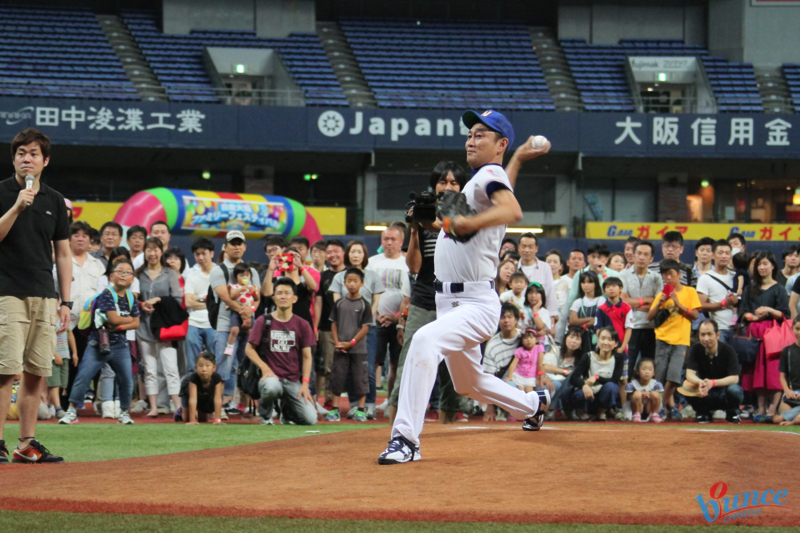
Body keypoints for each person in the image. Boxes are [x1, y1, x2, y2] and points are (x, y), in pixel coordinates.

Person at [379, 108, 551, 465]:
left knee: (425, 340)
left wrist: (467, 224)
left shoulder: (487, 174)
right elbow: (503, 191)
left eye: (480, 135)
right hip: (450, 302)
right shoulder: (487, 178)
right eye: (470, 134)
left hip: (475, 302)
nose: (471, 140)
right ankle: (534, 404)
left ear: (499, 144)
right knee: (467, 383)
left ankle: (406, 439)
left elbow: (512, 210)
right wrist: (518, 158)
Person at [0, 128, 71, 464]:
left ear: (45, 161)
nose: (26, 158)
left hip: (44, 294)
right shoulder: (2, 193)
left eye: (32, 154)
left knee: (35, 373)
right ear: (13, 158)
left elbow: (63, 254)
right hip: (7, 292)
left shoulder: (55, 201)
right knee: (4, 370)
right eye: (20, 153)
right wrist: (16, 207)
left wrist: (66, 301)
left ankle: (26, 445)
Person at [390, 161, 469, 425]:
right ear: (434, 185)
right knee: (410, 363)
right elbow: (413, 266)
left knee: (452, 370)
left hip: (457, 302)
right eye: (442, 182)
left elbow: (460, 244)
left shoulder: (468, 214)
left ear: (462, 187)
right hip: (424, 299)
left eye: (454, 182)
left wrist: (433, 225)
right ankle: (391, 433)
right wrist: (414, 229)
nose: (447, 187)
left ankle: (448, 433)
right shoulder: (423, 213)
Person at [59, 259, 139, 426]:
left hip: (120, 345)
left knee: (126, 379)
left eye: (128, 272)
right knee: (84, 376)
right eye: (120, 271)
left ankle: (124, 413)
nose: (124, 275)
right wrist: (127, 320)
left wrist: (121, 324)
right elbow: (113, 318)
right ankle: (72, 411)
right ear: (111, 276)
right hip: (97, 344)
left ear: (133, 279)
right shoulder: (107, 294)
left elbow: (135, 323)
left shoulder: (132, 298)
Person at [245, 278, 317, 426]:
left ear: (295, 298)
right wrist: (264, 368)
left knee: (310, 419)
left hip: (293, 380)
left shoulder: (302, 324)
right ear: (274, 298)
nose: (283, 296)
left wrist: (305, 384)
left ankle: (286, 412)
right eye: (279, 293)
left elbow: (307, 357)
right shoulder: (263, 321)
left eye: (287, 293)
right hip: (270, 378)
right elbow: (249, 349)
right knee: (272, 387)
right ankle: (266, 417)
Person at [330, 240, 384, 418]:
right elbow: (336, 303)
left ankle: (369, 406)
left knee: (366, 368)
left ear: (364, 255)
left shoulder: (373, 276)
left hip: (368, 328)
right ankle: (354, 405)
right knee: (347, 369)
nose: (355, 255)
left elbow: (375, 302)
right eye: (352, 252)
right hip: (346, 327)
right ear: (347, 254)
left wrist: (366, 320)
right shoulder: (339, 277)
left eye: (359, 252)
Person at [209, 230, 261, 411]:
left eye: (240, 243)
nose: (237, 246)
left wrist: (251, 310)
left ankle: (248, 407)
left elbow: (257, 297)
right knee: (224, 365)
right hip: (226, 326)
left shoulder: (252, 271)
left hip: (248, 327)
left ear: (245, 247)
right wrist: (243, 311)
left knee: (249, 366)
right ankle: (219, 407)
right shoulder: (218, 270)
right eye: (233, 243)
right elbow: (225, 296)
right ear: (225, 247)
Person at [647, 258, 702, 420]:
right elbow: (650, 316)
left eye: (671, 274)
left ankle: (659, 407)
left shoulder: (690, 292)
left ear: (678, 274)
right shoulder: (661, 294)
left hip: (681, 340)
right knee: (660, 377)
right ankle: (661, 409)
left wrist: (678, 304)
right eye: (665, 275)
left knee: (674, 377)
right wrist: (659, 303)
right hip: (662, 338)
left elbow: (695, 315)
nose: (668, 278)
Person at [739, 251, 790, 423]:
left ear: (773, 266)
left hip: (773, 335)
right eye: (759, 264)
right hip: (754, 334)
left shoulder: (779, 289)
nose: (761, 267)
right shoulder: (749, 288)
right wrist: (752, 317)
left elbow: (785, 314)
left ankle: (772, 409)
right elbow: (743, 312)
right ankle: (760, 408)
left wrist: (769, 311)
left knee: (774, 372)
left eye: (765, 264)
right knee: (758, 372)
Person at [136, 237, 182, 418]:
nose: (152, 253)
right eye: (149, 249)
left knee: (171, 368)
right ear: (145, 252)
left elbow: (178, 300)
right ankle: (153, 407)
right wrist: (142, 305)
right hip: (144, 327)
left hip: (164, 328)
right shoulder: (138, 274)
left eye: (156, 249)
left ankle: (178, 406)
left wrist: (159, 300)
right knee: (150, 369)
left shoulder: (170, 273)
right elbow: (133, 299)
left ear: (161, 252)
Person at [367, 226, 411, 413]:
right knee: (372, 363)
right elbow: (366, 292)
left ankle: (390, 401)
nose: (389, 242)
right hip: (374, 320)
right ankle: (368, 403)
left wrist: (396, 319)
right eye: (385, 239)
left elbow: (408, 296)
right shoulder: (371, 263)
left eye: (393, 239)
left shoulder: (407, 264)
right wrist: (375, 314)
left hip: (398, 322)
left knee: (395, 363)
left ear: (401, 242)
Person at [96, 246, 141, 418]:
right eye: (116, 262)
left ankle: (122, 407)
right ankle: (107, 405)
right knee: (108, 369)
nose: (121, 269)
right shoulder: (103, 280)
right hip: (106, 332)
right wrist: (122, 319)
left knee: (124, 372)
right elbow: (102, 305)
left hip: (126, 334)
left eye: (124, 261)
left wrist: (123, 323)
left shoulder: (133, 281)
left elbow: (132, 306)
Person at [65, 221, 105, 405]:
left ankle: (90, 402)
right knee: (67, 364)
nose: (80, 239)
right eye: (76, 235)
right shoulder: (61, 260)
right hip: (66, 321)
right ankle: (64, 403)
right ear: (69, 239)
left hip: (90, 323)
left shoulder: (98, 265)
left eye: (84, 236)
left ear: (90, 240)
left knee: (91, 363)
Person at [325, 268, 372, 422]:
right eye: (349, 281)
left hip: (358, 350)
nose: (352, 284)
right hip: (340, 349)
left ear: (362, 283)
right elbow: (334, 324)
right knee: (337, 379)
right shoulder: (339, 303)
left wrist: (351, 343)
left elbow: (365, 327)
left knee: (360, 379)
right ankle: (335, 410)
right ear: (344, 283)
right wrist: (338, 342)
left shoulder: (365, 304)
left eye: (355, 281)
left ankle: (360, 410)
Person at [682, 319, 743, 424]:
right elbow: (689, 374)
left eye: (709, 334)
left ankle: (732, 413)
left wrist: (713, 382)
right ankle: (703, 413)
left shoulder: (728, 350)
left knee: (735, 390)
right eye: (703, 335)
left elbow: (735, 378)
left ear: (717, 335)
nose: (706, 338)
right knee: (687, 385)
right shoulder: (696, 349)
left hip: (724, 393)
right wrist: (700, 382)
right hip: (706, 392)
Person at [620, 241, 662, 375]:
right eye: (639, 253)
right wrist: (647, 300)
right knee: (628, 365)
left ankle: (648, 394)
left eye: (646, 254)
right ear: (633, 255)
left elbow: (658, 303)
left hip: (651, 327)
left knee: (648, 367)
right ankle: (627, 395)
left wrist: (635, 304)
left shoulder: (656, 277)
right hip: (630, 327)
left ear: (651, 259)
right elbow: (623, 301)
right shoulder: (623, 275)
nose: (642, 257)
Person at [314, 239, 345, 410]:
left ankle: (354, 403)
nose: (333, 255)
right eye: (329, 252)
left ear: (343, 253)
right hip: (327, 326)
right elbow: (318, 303)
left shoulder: (351, 274)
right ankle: (329, 400)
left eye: (336, 251)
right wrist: (316, 326)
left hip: (350, 327)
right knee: (328, 365)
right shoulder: (322, 277)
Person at [568, 327, 623, 421]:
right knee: (579, 394)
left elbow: (615, 380)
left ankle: (601, 413)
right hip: (588, 395)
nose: (605, 342)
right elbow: (574, 378)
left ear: (616, 344)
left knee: (612, 387)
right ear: (598, 340)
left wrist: (596, 377)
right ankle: (582, 412)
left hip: (602, 397)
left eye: (610, 340)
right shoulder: (588, 356)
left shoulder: (618, 358)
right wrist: (584, 385)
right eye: (603, 338)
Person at [595, 277, 632, 410]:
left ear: (620, 288)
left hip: (621, 351)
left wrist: (622, 347)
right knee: (603, 379)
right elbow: (598, 330)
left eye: (614, 286)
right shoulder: (601, 309)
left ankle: (622, 409)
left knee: (623, 381)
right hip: (604, 351)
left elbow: (628, 329)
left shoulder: (627, 308)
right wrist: (603, 347)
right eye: (607, 287)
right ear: (604, 290)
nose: (610, 289)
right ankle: (603, 410)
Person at [481, 303, 523, 421]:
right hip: (506, 384)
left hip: (526, 380)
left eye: (509, 317)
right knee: (510, 386)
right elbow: (489, 377)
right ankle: (508, 412)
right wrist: (490, 406)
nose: (506, 321)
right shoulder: (493, 345)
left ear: (516, 320)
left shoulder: (525, 338)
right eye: (502, 317)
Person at [697, 240, 738, 344]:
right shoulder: (705, 278)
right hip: (718, 330)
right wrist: (724, 303)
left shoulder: (736, 276)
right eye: (720, 253)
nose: (724, 256)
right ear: (713, 255)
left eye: (727, 253)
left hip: (738, 329)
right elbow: (700, 306)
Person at [184, 238, 216, 370]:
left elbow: (221, 301)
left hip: (214, 323)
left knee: (216, 361)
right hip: (194, 323)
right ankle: (192, 388)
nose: (201, 257)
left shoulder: (220, 273)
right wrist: (209, 301)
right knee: (192, 364)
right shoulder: (192, 276)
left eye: (204, 253)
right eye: (197, 254)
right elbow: (188, 302)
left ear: (212, 254)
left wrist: (198, 298)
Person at [542, 326, 583, 418]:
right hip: (552, 380)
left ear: (581, 343)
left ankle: (554, 410)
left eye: (577, 339)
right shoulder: (556, 349)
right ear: (565, 338)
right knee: (559, 383)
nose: (573, 341)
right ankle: (554, 409)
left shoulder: (581, 357)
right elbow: (545, 367)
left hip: (570, 385)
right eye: (571, 337)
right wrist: (564, 371)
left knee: (570, 382)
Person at [517, 232, 557, 327]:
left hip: (541, 319)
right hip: (519, 320)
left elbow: (551, 294)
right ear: (518, 248)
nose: (527, 250)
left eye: (530, 247)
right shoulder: (514, 268)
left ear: (536, 249)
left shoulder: (545, 267)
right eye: (524, 246)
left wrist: (552, 322)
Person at [225, 263, 261, 356]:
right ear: (236, 276)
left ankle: (253, 348)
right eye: (241, 275)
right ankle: (230, 346)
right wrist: (241, 289)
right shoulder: (234, 286)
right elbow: (232, 297)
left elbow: (257, 299)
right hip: (236, 312)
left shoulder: (252, 287)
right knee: (234, 330)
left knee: (252, 331)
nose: (244, 277)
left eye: (247, 275)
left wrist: (254, 292)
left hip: (249, 312)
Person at [178, 351, 223, 425]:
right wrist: (192, 420)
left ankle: (200, 412)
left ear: (214, 367)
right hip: (188, 394)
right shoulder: (193, 378)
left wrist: (217, 420)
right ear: (196, 367)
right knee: (186, 419)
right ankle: (180, 411)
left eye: (207, 365)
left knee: (202, 420)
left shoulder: (216, 378)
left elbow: (218, 399)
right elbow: (193, 399)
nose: (204, 369)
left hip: (204, 395)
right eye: (200, 365)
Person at [568, 271, 606, 353]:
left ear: (595, 284)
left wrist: (582, 324)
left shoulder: (601, 300)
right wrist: (590, 319)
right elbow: (572, 321)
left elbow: (599, 321)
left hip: (596, 337)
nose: (586, 285)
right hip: (581, 338)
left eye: (589, 282)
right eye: (583, 282)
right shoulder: (578, 302)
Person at [772, 317, 800, 426]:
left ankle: (793, 420)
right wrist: (787, 390)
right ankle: (795, 417)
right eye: (797, 329)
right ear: (792, 329)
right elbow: (782, 376)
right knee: (777, 420)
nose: (799, 332)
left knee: (783, 418)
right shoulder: (787, 351)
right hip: (791, 394)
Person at [507, 329, 548, 393]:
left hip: (531, 377)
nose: (529, 340)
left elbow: (540, 364)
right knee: (521, 392)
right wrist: (509, 376)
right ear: (522, 341)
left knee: (529, 392)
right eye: (525, 338)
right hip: (519, 375)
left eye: (531, 338)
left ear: (536, 339)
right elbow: (513, 364)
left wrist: (538, 378)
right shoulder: (520, 350)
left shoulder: (539, 348)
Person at [624, 358, 663, 423]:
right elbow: (628, 398)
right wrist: (641, 394)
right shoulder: (632, 384)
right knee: (637, 394)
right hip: (636, 407)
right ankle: (636, 414)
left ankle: (654, 414)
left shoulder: (656, 384)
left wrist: (649, 394)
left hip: (649, 407)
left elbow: (660, 397)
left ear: (653, 373)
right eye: (643, 369)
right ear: (637, 371)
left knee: (655, 394)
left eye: (650, 370)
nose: (647, 372)